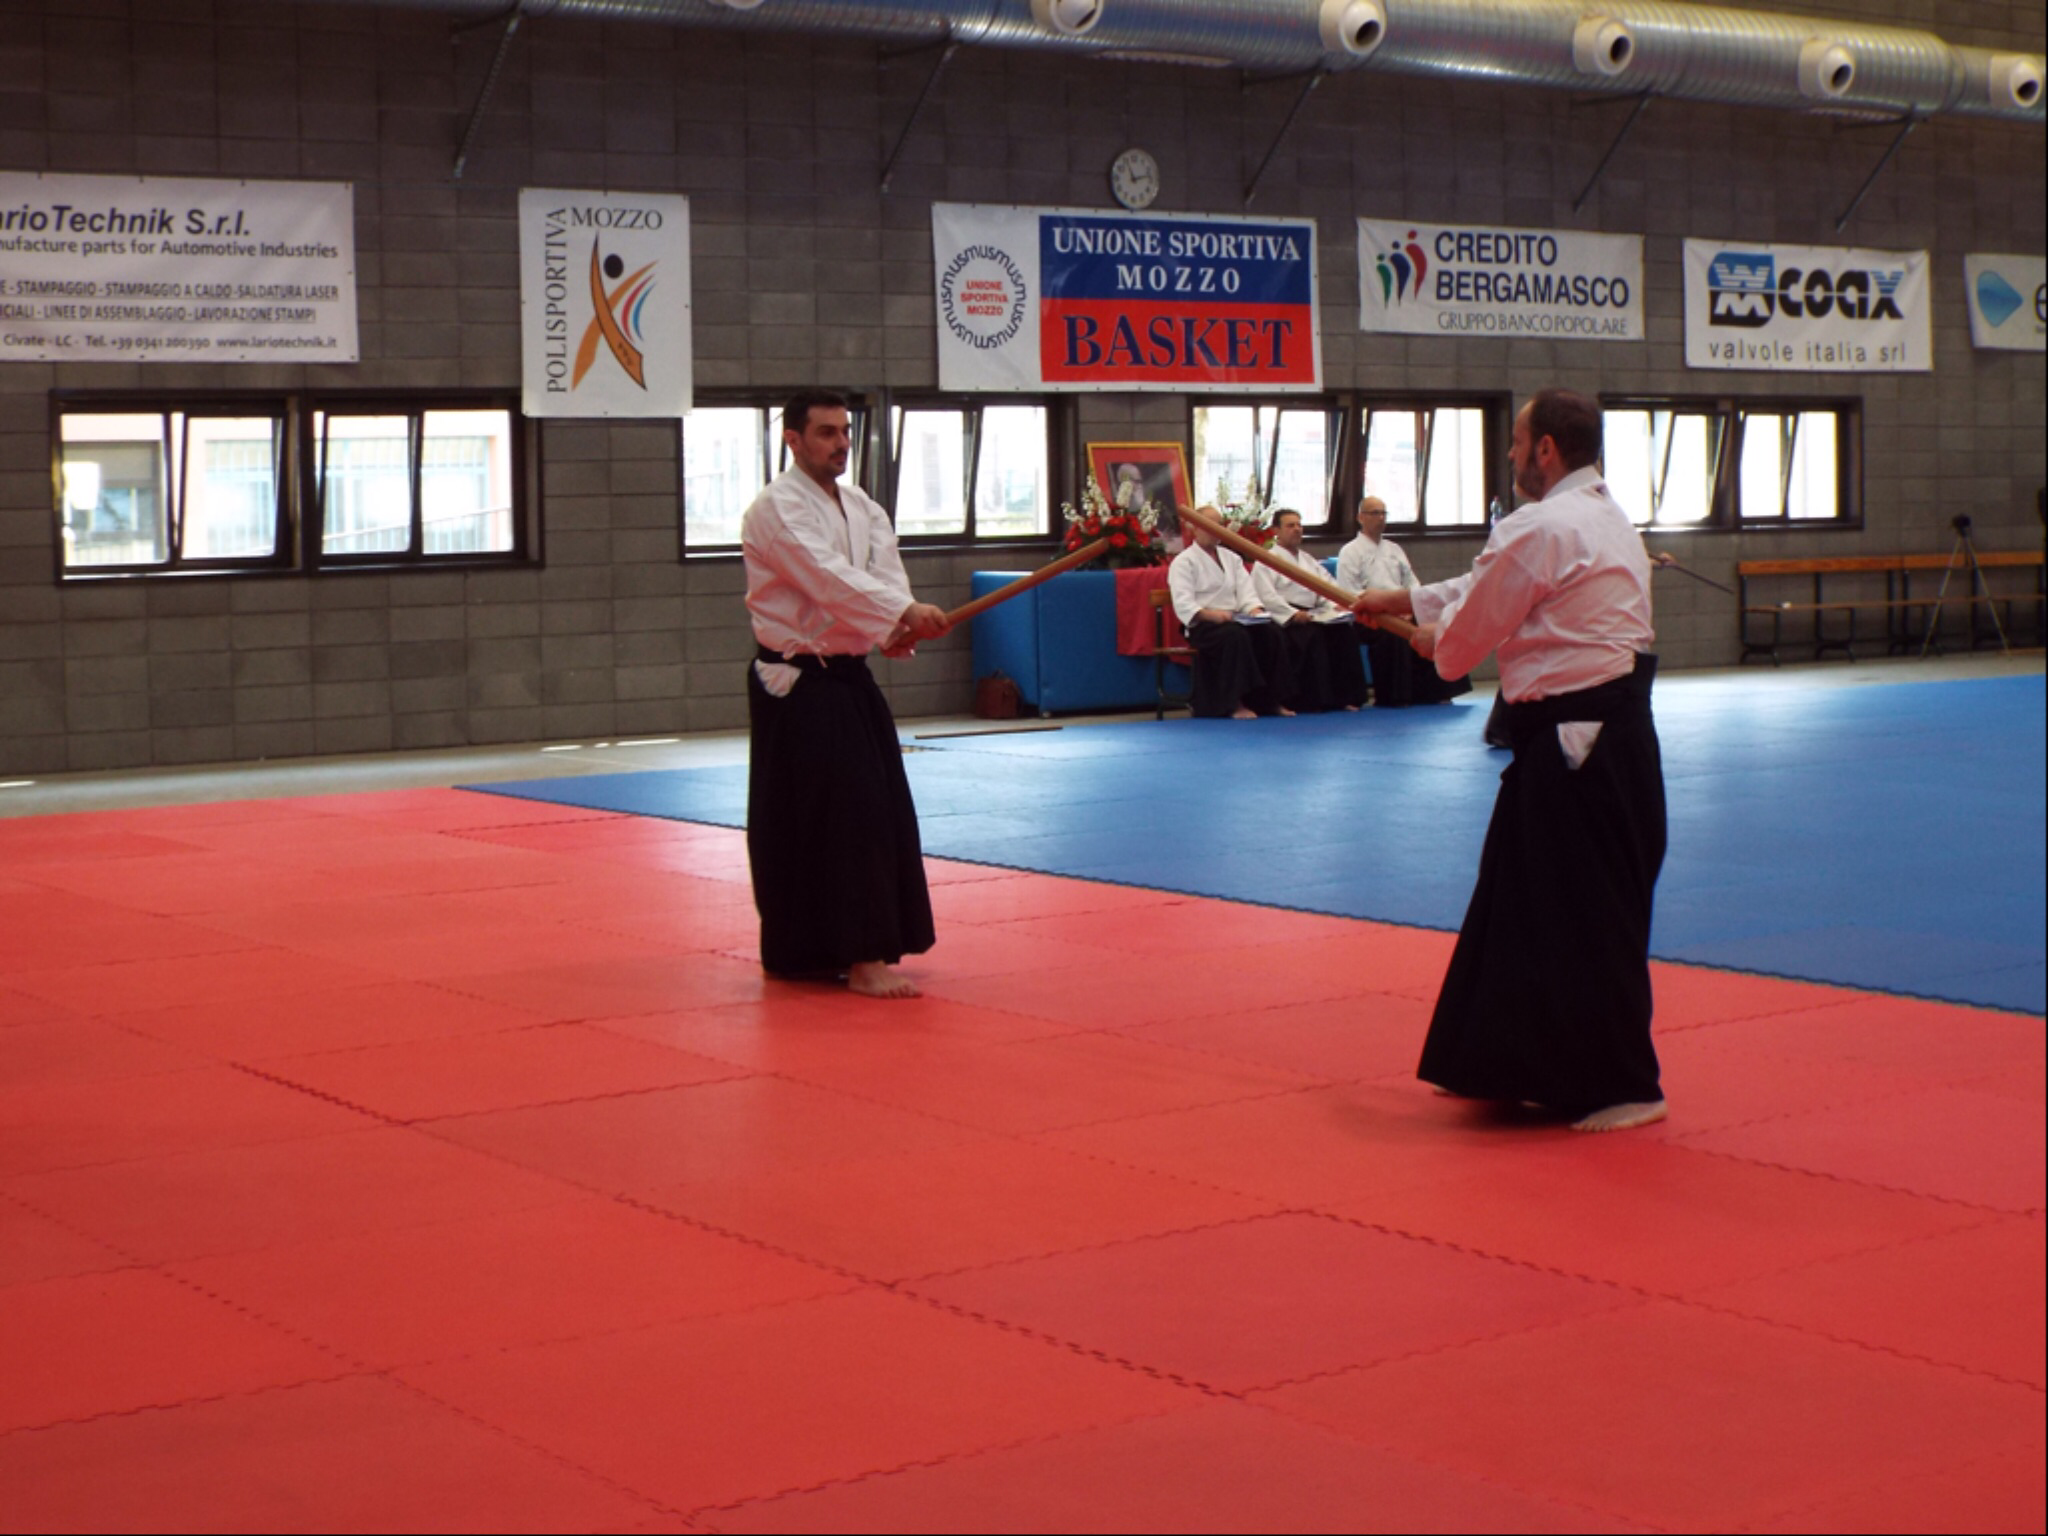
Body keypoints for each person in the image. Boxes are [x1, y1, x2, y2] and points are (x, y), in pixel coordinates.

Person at [1354, 388, 1667, 1132]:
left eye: (1517, 442)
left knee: (1585, 914)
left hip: (1578, 744)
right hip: (1608, 739)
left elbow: (1472, 630)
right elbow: (1489, 585)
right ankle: (1498, 1061)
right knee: (1520, 902)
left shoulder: (1539, 525)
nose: (1511, 453)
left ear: (1545, 450)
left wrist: (1437, 640)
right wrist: (1405, 601)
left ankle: (1625, 1085)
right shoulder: (1604, 517)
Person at [740, 389, 950, 999]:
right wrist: (901, 612)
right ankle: (850, 958)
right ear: (793, 439)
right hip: (798, 685)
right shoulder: (775, 509)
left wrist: (897, 627)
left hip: (849, 677)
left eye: (845, 432)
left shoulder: (863, 506)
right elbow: (827, 579)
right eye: (826, 433)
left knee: (875, 811)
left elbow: (883, 574)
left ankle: (844, 947)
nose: (841, 444)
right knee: (827, 819)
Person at [1336, 495, 1470, 708]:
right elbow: (1348, 592)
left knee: (1435, 625)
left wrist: (1410, 606)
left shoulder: (1394, 549)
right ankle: (1397, 696)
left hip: (1401, 607)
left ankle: (1438, 691)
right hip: (1370, 615)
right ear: (1360, 517)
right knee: (1394, 632)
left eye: (1383, 513)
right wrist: (1385, 609)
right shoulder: (1350, 552)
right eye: (1375, 513)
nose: (1381, 518)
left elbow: (1412, 582)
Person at [1167, 505, 1294, 720]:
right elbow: (1183, 602)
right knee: (1235, 636)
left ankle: (1269, 701)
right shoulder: (1183, 562)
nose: (1216, 530)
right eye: (1210, 525)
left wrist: (1254, 610)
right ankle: (1234, 703)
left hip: (1236, 620)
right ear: (1194, 528)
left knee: (1271, 632)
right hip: (1204, 625)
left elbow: (1246, 592)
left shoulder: (1231, 558)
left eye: (1219, 525)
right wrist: (1211, 615)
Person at [1250, 507, 1368, 712]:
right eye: (1290, 526)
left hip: (1314, 612)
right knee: (1311, 635)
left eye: (1299, 525)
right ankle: (1312, 700)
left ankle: (1344, 697)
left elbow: (1326, 586)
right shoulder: (1266, 560)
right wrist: (1292, 614)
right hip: (1287, 616)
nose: (1297, 529)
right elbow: (1267, 595)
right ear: (1276, 531)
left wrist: (1333, 606)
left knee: (1343, 632)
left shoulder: (1308, 560)